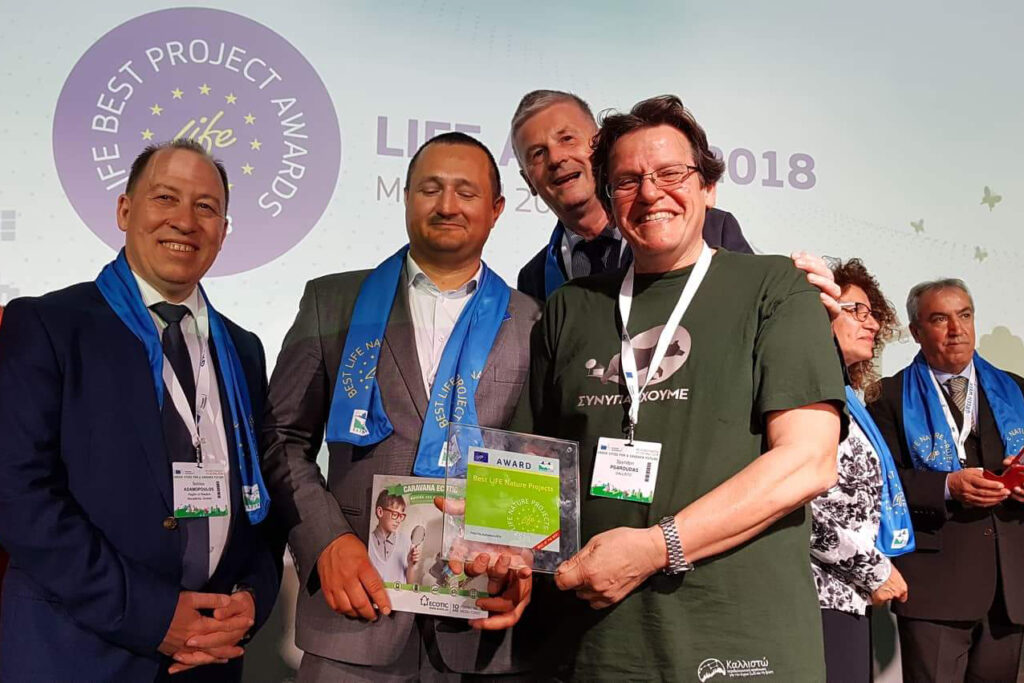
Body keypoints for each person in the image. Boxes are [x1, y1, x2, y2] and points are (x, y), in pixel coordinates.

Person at [513, 95, 847, 680]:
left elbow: (808, 463)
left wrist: (651, 549)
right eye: (627, 180)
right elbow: (530, 465)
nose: (649, 193)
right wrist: (501, 562)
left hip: (740, 638)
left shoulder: (776, 287)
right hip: (595, 644)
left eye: (672, 173)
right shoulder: (569, 307)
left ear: (709, 186)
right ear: (609, 196)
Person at [0, 140, 280, 681]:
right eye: (165, 198)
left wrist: (251, 599)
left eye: (205, 207)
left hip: (208, 656)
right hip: (77, 652)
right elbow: (19, 495)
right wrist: (154, 617)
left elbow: (259, 495)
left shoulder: (243, 349)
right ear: (126, 211)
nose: (185, 221)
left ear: (224, 229)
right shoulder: (50, 326)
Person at [262, 131, 537, 680]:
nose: (447, 204)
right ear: (406, 196)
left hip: (476, 614)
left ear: (497, 209)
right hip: (355, 609)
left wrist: (512, 560)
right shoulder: (332, 301)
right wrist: (326, 542)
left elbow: (532, 458)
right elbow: (280, 439)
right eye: (430, 188)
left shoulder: (532, 319)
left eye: (466, 191)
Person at [868, 278, 1024, 682]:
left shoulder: (1017, 390)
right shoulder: (886, 397)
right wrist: (946, 487)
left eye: (965, 315)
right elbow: (880, 482)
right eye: (941, 319)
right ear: (917, 332)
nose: (957, 329)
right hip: (935, 589)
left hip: (1011, 589)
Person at [509, 89, 752, 301]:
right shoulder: (534, 277)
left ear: (600, 146)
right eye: (537, 154)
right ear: (527, 181)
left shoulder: (711, 228)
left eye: (567, 139)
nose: (556, 158)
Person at [809, 259, 913, 681]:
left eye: (873, 314)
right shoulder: (808, 394)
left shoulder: (847, 396)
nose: (871, 325)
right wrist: (874, 568)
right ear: (819, 314)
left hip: (846, 596)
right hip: (815, 595)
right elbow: (796, 504)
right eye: (856, 311)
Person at [368, 490, 420, 585]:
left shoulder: (406, 541)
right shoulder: (367, 542)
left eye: (401, 516)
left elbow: (410, 584)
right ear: (380, 512)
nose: (399, 520)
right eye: (395, 515)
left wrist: (411, 565)